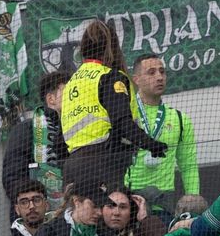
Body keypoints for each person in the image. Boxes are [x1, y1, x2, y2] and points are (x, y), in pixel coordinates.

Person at [59, 21, 168, 194]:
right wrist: (153, 145)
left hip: (71, 167)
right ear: (112, 46)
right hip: (102, 163)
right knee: (112, 217)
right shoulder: (110, 77)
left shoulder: (72, 82)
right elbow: (122, 122)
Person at [122, 55, 199, 217]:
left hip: (163, 202)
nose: (159, 77)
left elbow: (188, 165)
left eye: (162, 72)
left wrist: (193, 197)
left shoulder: (179, 119)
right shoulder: (125, 116)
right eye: (151, 72)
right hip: (128, 199)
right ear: (136, 79)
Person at [0, 69, 68, 212]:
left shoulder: (77, 128)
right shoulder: (26, 130)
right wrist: (31, 205)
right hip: (34, 217)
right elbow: (13, 176)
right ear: (51, 99)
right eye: (69, 93)